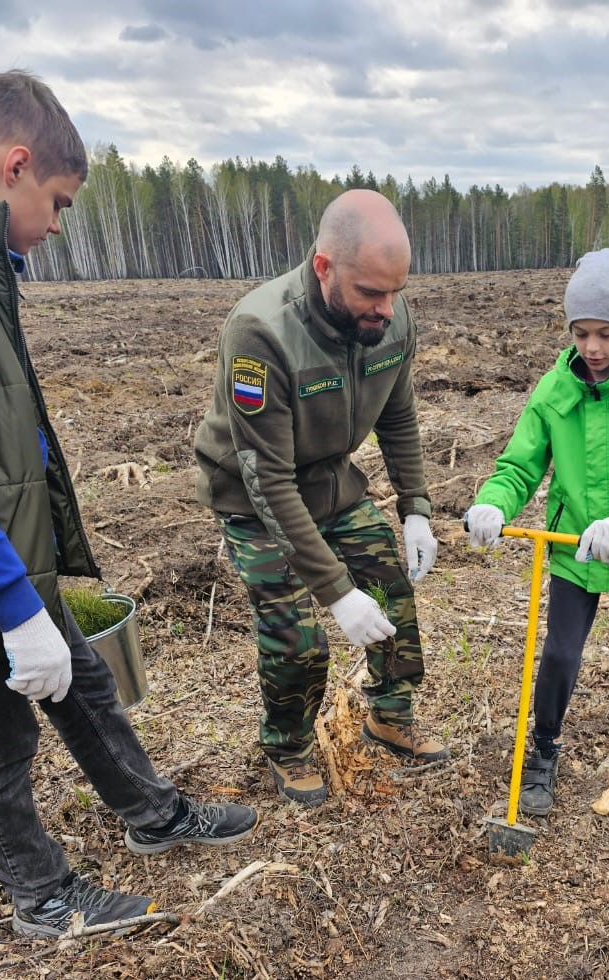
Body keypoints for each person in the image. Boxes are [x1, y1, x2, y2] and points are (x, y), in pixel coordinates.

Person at [0, 70, 258, 940]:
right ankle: (41, 894)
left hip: (13, 548)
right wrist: (10, 602)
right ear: (15, 167)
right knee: (2, 742)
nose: (58, 226)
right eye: (59, 203)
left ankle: (152, 814)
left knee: (86, 684)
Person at [194, 188, 449, 809]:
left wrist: (416, 508)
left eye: (397, 291)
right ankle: (288, 746)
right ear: (324, 267)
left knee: (389, 589)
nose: (386, 308)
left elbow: (398, 417)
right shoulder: (261, 333)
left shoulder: (391, 320)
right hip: (254, 498)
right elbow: (269, 481)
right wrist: (335, 592)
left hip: (331, 482)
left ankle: (390, 716)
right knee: (298, 637)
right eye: (371, 292)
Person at [466, 247, 609, 818]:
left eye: (605, 334)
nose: (592, 348)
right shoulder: (555, 390)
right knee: (560, 653)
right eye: (580, 333)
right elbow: (519, 466)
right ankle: (544, 748)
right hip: (574, 549)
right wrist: (493, 502)